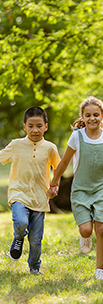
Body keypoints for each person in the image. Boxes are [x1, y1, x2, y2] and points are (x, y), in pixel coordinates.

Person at [48, 96, 103, 280]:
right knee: (86, 229)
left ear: (102, 116)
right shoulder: (76, 136)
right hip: (80, 189)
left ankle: (99, 269)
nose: (92, 118)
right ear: (82, 116)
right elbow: (64, 161)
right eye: (88, 115)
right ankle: (85, 237)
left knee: (102, 229)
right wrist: (54, 181)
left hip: (101, 189)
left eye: (96, 114)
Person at [0, 107, 61, 274]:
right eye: (31, 126)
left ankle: (34, 267)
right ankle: (18, 238)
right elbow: (1, 157)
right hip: (18, 193)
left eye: (39, 126)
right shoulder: (16, 145)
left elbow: (58, 167)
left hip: (40, 198)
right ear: (24, 126)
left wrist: (55, 185)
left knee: (36, 240)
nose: (35, 130)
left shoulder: (49, 148)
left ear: (45, 127)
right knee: (20, 222)